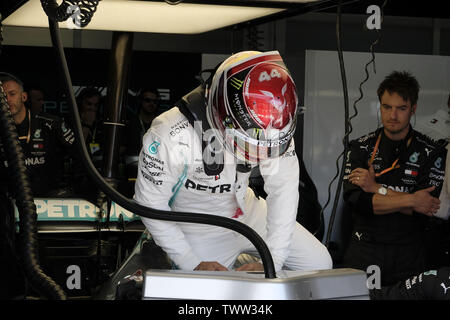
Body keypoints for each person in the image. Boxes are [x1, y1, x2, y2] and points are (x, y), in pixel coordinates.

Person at [134, 51, 332, 272]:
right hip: (199, 224)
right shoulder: (170, 133)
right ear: (222, 115)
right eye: (251, 144)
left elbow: (283, 189)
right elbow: (150, 204)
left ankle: (246, 263)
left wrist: (273, 261)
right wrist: (190, 261)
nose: (258, 154)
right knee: (212, 293)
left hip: (247, 209)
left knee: (319, 264)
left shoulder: (276, 124)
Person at [342, 71, 447, 286]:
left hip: (410, 254)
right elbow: (359, 202)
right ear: (379, 106)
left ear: (413, 108)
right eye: (387, 107)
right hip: (366, 250)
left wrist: (375, 188)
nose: (393, 116)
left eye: (401, 108)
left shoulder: (431, 152)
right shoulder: (360, 147)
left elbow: (426, 207)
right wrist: (410, 200)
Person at [0, 72, 76, 197]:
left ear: (23, 97)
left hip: (50, 199)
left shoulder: (51, 124)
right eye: (2, 96)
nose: (7, 100)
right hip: (10, 202)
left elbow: (81, 158)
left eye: (12, 94)